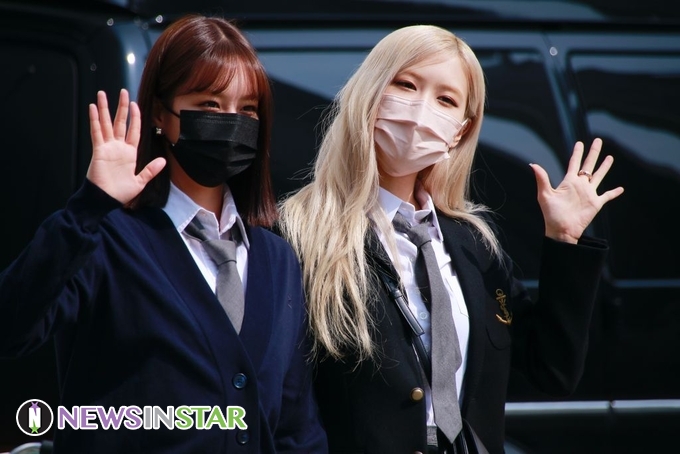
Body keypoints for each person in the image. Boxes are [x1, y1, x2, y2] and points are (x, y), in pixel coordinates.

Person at [278, 24, 624, 454]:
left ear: (459, 131)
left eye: (446, 100)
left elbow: (551, 372)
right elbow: (279, 399)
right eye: (406, 85)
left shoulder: (473, 244)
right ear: (370, 93)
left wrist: (564, 239)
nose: (421, 111)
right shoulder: (297, 233)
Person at [0, 15, 327, 454]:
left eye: (247, 109)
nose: (231, 122)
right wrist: (89, 206)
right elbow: (12, 328)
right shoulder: (104, 238)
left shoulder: (278, 258)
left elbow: (296, 428)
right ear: (160, 112)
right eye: (209, 104)